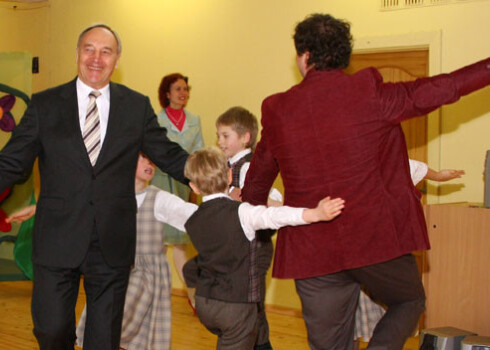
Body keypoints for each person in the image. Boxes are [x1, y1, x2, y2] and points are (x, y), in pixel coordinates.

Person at [241, 13, 490, 350]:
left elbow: (256, 184)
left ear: (304, 56)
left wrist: (248, 218)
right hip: (375, 240)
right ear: (344, 56)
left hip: (311, 249)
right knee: (409, 301)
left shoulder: (278, 109)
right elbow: (444, 87)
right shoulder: (371, 92)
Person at [0, 24, 189, 350]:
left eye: (106, 51)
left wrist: (216, 178)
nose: (96, 58)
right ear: (77, 54)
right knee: (51, 330)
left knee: (103, 339)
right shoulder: (45, 105)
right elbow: (11, 162)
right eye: (89, 49)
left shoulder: (135, 106)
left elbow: (169, 155)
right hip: (57, 237)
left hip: (112, 240)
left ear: (117, 59)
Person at [8, 154, 198, 349]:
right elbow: (74, 203)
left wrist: (220, 209)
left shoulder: (159, 199)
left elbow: (192, 215)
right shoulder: (108, 193)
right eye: (142, 158)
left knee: (123, 329)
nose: (149, 163)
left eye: (152, 160)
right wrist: (38, 208)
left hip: (146, 276)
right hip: (115, 270)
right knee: (109, 327)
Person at [182, 146, 345, 350]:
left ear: (194, 187)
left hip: (205, 304)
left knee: (242, 338)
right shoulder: (241, 213)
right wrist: (315, 214)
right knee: (239, 334)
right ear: (230, 175)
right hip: (236, 305)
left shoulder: (193, 218)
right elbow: (274, 216)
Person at [354, 159, 465, 347]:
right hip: (353, 256)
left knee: (388, 310)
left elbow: (410, 166)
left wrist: (438, 175)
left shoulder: (383, 160)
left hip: (375, 255)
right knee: (352, 319)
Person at [216, 106, 281, 350]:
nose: (220, 141)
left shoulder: (249, 166)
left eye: (226, 136)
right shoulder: (226, 166)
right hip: (236, 249)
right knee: (240, 309)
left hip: (254, 248)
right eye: (218, 135)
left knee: (251, 309)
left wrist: (240, 197)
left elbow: (275, 201)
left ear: (245, 137)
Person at [151, 73, 204, 308]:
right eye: (178, 89)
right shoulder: (155, 120)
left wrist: (196, 187)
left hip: (184, 186)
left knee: (181, 245)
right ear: (167, 93)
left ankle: (195, 299)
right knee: (157, 246)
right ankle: (150, 297)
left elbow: (199, 153)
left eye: (186, 89)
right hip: (160, 186)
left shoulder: (194, 120)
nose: (183, 93)